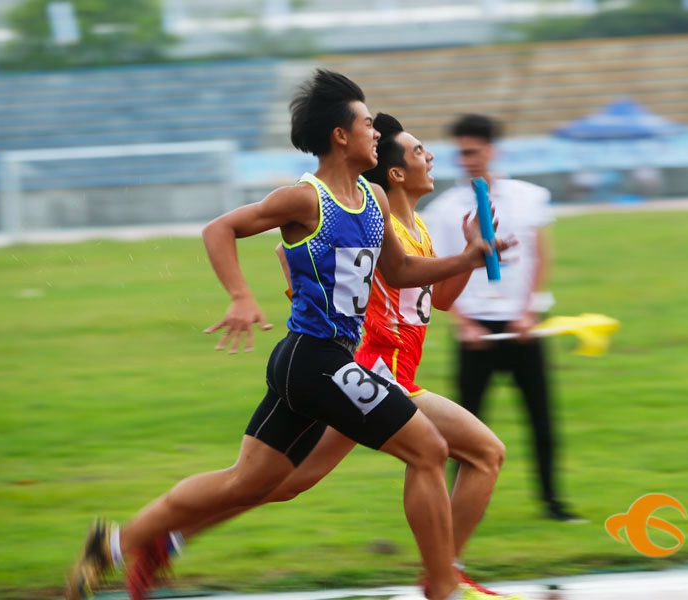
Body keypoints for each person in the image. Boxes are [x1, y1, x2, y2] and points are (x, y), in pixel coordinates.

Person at [64, 70, 510, 600]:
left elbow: (401, 273)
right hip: (314, 359)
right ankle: (442, 588)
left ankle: (113, 545)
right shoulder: (306, 199)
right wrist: (241, 297)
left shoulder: (376, 204)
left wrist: (467, 257)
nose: (376, 131)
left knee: (248, 483)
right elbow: (219, 228)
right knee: (428, 450)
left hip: (318, 363)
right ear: (340, 136)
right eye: (368, 123)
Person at [423, 114, 584, 523]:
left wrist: (529, 311)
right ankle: (456, 508)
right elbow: (438, 269)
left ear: (493, 150)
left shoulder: (529, 197)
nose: (468, 159)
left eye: (474, 151)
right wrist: (464, 323)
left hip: (522, 328)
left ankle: (553, 502)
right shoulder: (443, 210)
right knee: (465, 429)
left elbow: (540, 256)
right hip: (475, 331)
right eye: (461, 152)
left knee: (541, 420)